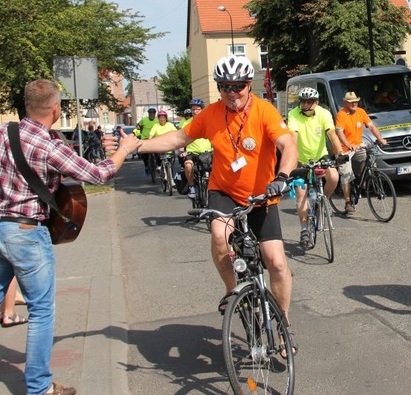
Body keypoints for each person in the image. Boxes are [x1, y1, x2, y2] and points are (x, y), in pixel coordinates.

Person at [0, 79, 140, 395]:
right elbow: (97, 174)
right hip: (25, 232)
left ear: (25, 104)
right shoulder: (50, 145)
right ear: (56, 108)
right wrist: (125, 150)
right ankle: (39, 387)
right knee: (40, 311)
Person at [121, 55, 299, 355]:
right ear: (219, 88)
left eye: (239, 86)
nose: (233, 93)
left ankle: (283, 325)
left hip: (262, 194)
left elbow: (288, 145)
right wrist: (136, 145)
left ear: (248, 86)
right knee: (219, 236)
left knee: (277, 263)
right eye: (226, 87)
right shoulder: (212, 114)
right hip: (224, 191)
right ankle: (232, 291)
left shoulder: (265, 111)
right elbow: (176, 139)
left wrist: (282, 176)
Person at [287, 88, 344, 248]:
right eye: (303, 101)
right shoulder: (293, 115)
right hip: (302, 158)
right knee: (301, 194)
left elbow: (332, 134)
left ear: (316, 102)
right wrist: (292, 159)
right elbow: (293, 136)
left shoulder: (324, 113)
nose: (305, 104)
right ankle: (304, 230)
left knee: (333, 177)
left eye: (309, 101)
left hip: (320, 155)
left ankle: (322, 200)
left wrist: (339, 153)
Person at [335, 91, 387, 214]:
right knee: (346, 175)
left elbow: (371, 126)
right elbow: (339, 132)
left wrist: (380, 138)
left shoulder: (361, 112)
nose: (354, 104)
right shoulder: (341, 114)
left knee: (364, 163)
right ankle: (348, 202)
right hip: (344, 149)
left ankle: (362, 183)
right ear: (346, 103)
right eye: (351, 102)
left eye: (355, 102)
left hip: (357, 146)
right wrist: (348, 144)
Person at [178, 99, 213, 200]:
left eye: (197, 109)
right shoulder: (187, 123)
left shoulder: (208, 121)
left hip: (207, 152)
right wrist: (181, 150)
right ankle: (191, 186)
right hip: (191, 152)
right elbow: (181, 139)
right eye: (193, 109)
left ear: (202, 110)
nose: (195, 111)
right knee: (188, 165)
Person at [136, 108, 159, 176]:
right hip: (145, 138)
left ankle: (157, 165)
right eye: (150, 114)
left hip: (154, 138)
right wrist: (141, 131)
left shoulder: (157, 120)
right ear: (148, 114)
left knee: (158, 152)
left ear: (155, 114)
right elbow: (139, 126)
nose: (152, 115)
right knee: (144, 154)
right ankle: (146, 166)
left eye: (153, 114)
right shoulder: (144, 120)